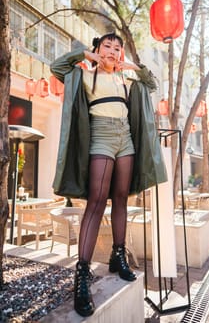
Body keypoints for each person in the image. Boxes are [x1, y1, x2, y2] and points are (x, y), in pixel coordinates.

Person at [50, 32, 167, 317]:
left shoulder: (126, 80)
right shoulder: (85, 75)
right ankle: (82, 273)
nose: (112, 51)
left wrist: (134, 68)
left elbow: (152, 84)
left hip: (124, 137)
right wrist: (83, 56)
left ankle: (118, 255)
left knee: (121, 198)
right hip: (100, 135)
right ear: (97, 49)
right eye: (107, 46)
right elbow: (57, 68)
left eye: (117, 48)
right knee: (97, 200)